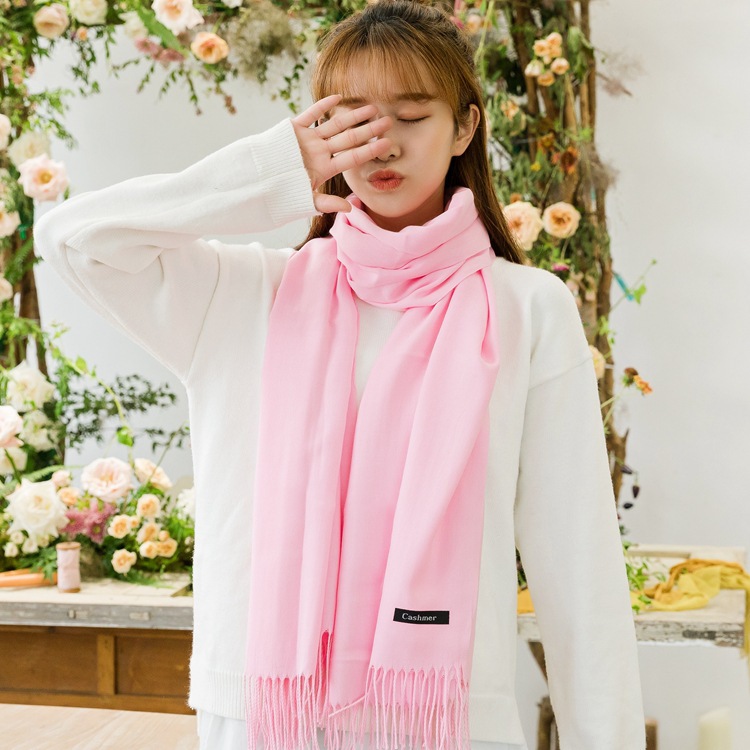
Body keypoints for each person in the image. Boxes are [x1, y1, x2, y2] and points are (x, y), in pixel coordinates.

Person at [34, 1, 646, 748]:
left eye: (410, 115)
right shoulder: (242, 297)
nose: (380, 142)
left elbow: (579, 571)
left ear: (464, 129)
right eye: (351, 119)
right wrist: (270, 172)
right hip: (265, 720)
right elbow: (71, 239)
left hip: (445, 722)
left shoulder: (525, 309)